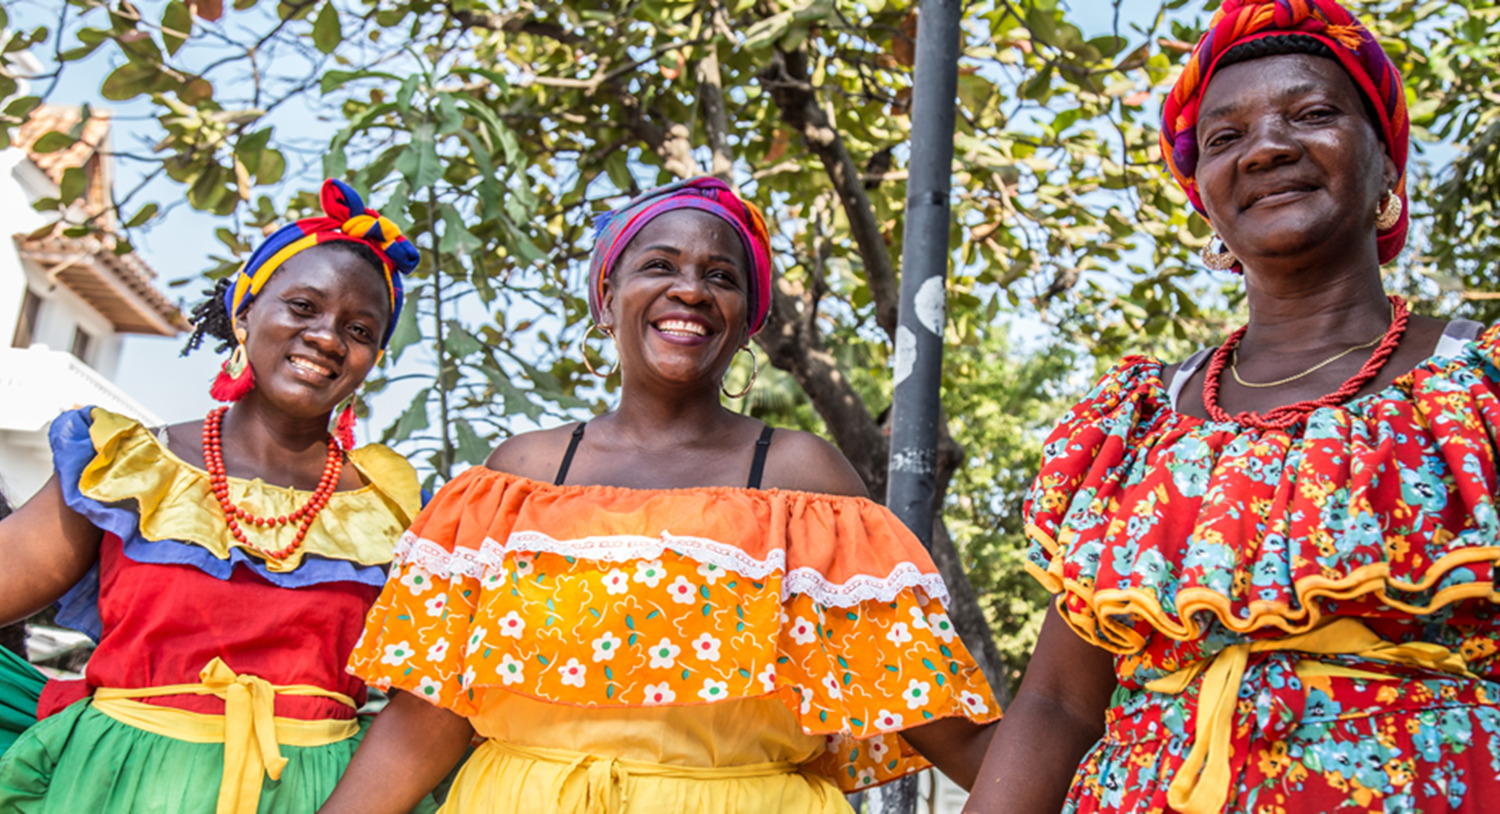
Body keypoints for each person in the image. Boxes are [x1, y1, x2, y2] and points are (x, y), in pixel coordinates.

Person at [319, 176, 1002, 813]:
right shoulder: (516, 480)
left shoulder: (804, 482)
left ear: (748, 317)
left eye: (721, 277)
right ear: (606, 297)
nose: (692, 291)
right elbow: (426, 722)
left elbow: (939, 721)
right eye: (659, 266)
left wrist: (1099, 754)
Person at [969, 1, 1500, 812]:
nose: (1268, 148)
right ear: (1204, 200)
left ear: (1388, 164)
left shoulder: (1478, 386)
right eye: (1225, 138)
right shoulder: (1135, 423)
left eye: (1312, 114)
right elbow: (1058, 703)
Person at [0, 179, 433, 813]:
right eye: (303, 306)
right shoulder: (127, 465)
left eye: (360, 329)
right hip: (119, 789)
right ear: (244, 312)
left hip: (310, 798)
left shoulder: (392, 512)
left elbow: (425, 703)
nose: (328, 338)